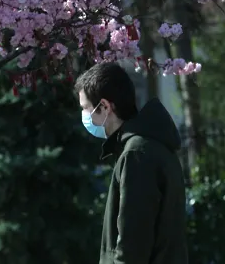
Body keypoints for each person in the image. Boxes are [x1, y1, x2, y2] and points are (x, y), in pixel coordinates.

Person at [76, 62, 188, 264]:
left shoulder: (136, 154)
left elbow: (133, 244)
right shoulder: (151, 146)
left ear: (104, 106)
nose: (84, 116)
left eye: (85, 108)